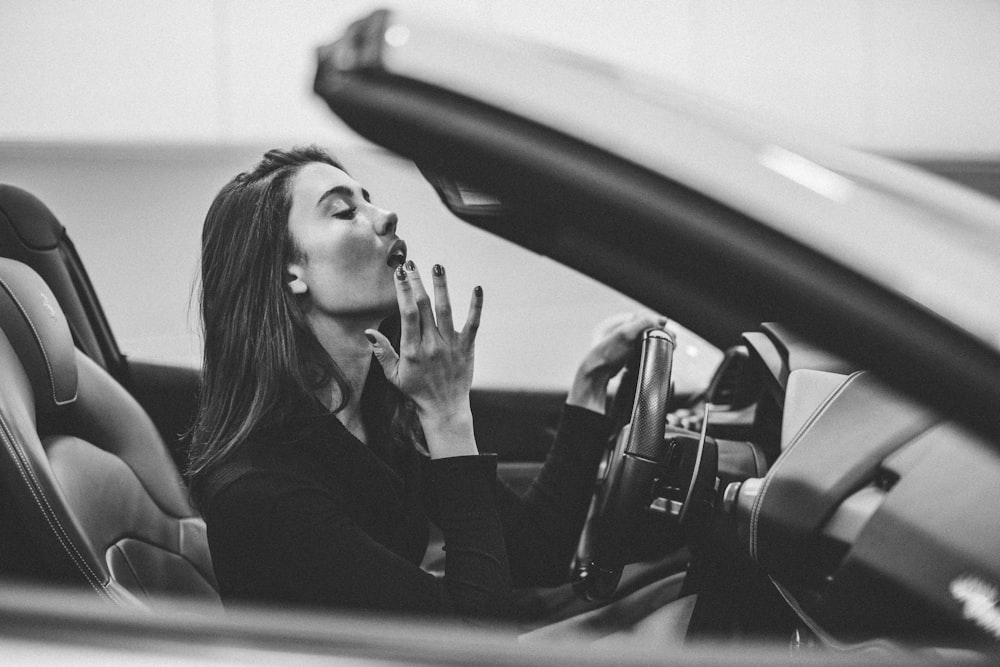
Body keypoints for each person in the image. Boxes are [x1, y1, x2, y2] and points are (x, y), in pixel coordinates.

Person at [186, 145, 666, 622]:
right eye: (345, 211)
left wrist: (590, 384)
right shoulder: (263, 495)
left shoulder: (376, 415)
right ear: (290, 273)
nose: (387, 215)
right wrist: (448, 416)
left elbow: (537, 553)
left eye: (369, 199)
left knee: (668, 582)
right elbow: (476, 646)